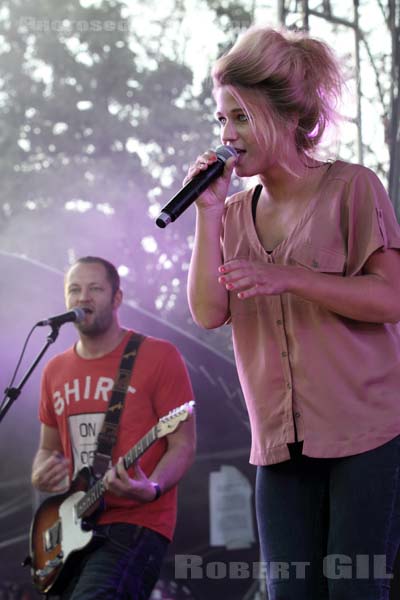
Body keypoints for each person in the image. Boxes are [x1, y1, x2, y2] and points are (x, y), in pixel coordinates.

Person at [186, 24, 400, 600]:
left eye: (241, 117)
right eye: (221, 120)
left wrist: (289, 277)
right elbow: (209, 312)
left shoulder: (353, 188)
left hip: (367, 434)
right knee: (289, 592)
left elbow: (390, 299)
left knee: (353, 589)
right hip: (279, 444)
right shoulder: (229, 214)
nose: (227, 134)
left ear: (282, 115)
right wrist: (206, 214)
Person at [31, 256, 196, 600]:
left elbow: (182, 444)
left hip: (137, 521)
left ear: (117, 299)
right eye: (74, 290)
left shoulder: (158, 356)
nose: (82, 297)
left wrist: (150, 487)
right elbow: (47, 450)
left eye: (95, 289)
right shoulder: (54, 370)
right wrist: (40, 474)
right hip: (73, 526)